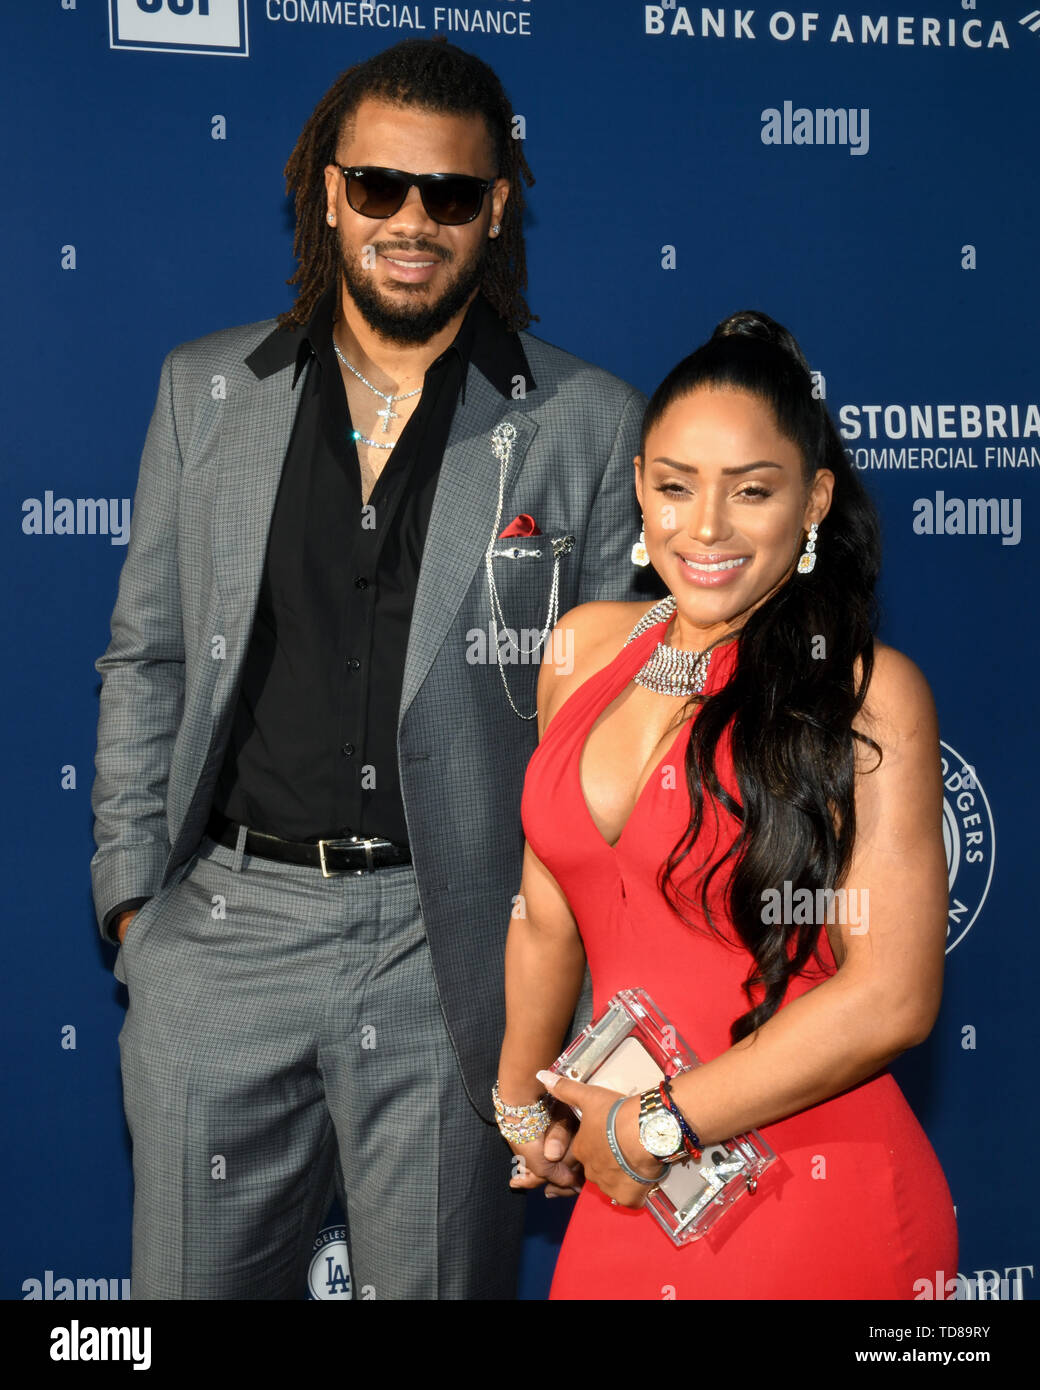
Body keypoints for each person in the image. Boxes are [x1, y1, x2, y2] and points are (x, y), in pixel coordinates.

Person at [90, 38, 647, 1300]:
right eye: (380, 188)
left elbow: (617, 740)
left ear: (495, 207)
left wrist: (569, 993)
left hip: (453, 949)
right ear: (328, 192)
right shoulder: (206, 394)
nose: (412, 222)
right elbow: (148, 658)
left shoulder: (587, 423)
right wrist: (135, 907)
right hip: (224, 934)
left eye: (449, 195)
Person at [495, 310, 957, 1299]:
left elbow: (891, 997)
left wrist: (657, 1123)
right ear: (637, 491)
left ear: (813, 501)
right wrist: (522, 1104)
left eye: (750, 491)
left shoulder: (867, 695)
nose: (703, 527)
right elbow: (544, 916)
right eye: (674, 487)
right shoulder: (578, 650)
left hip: (813, 1194)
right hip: (629, 1190)